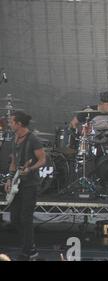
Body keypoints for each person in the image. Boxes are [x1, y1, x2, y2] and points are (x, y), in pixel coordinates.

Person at [4, 111, 46, 261]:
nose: (9, 124)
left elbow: (43, 160)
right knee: (15, 219)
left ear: (19, 124)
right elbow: (14, 162)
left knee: (26, 218)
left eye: (11, 121)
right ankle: (31, 246)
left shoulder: (33, 139)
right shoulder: (15, 138)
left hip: (30, 184)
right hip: (17, 184)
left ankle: (28, 251)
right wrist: (9, 179)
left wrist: (31, 168)